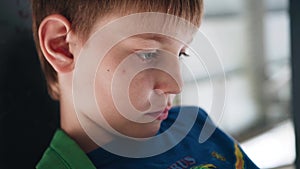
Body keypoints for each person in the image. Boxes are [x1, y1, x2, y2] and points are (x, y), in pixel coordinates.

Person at [32, 0, 259, 168]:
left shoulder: (195, 125)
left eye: (181, 54)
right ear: (63, 46)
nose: (176, 85)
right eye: (149, 54)